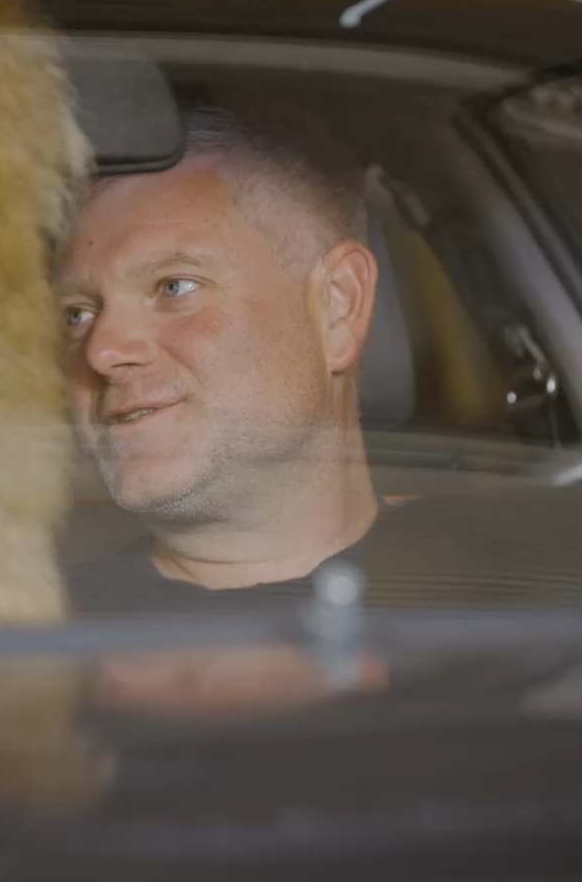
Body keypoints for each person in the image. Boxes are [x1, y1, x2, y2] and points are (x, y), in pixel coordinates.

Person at [60, 104, 410, 615]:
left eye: (174, 287)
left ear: (339, 305)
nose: (101, 351)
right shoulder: (14, 643)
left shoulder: (513, 588)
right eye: (76, 315)